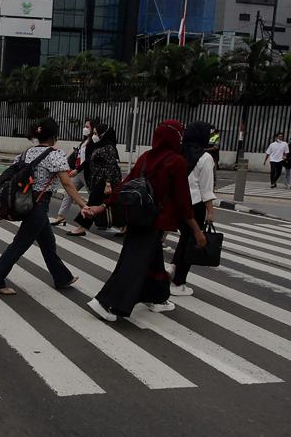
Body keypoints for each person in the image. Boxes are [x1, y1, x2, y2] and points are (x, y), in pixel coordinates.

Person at [83, 120, 208, 322]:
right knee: (133, 263)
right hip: (155, 221)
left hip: (136, 216)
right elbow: (183, 201)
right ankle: (107, 303)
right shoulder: (176, 162)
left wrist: (103, 205)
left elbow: (125, 184)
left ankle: (157, 298)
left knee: (152, 259)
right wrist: (197, 230)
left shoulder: (146, 157)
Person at [0, 117, 86, 295]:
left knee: (48, 243)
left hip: (26, 202)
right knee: (20, 244)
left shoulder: (25, 153)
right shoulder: (56, 154)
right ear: (54, 136)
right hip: (39, 205)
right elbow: (67, 183)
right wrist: (82, 204)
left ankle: (62, 277)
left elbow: (10, 181)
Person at [169, 121, 216, 297]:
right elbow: (206, 189)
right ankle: (178, 282)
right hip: (194, 206)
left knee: (184, 240)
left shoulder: (177, 153)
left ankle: (173, 268)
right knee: (191, 243)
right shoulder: (205, 158)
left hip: (175, 203)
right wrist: (210, 212)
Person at [66, 122, 122, 237]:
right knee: (115, 204)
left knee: (93, 201)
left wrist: (108, 183)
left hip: (105, 181)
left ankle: (81, 227)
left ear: (103, 134)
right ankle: (125, 225)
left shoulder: (109, 148)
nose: (94, 136)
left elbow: (110, 166)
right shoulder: (100, 145)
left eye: (96, 133)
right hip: (98, 179)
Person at [52, 119, 93, 227]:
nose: (85, 128)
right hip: (78, 172)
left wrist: (77, 169)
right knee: (69, 193)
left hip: (87, 173)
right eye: (85, 126)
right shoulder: (84, 141)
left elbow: (89, 160)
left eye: (87, 126)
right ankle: (61, 216)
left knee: (94, 198)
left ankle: (108, 219)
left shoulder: (93, 142)